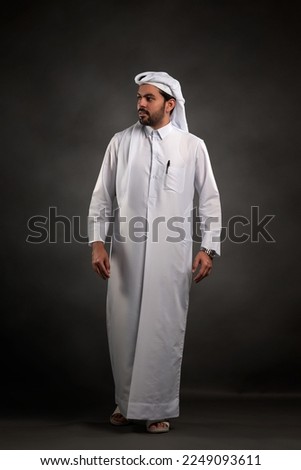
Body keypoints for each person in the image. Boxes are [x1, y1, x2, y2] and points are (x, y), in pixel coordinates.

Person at [88, 71, 221, 434]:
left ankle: (157, 407)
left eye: (148, 98)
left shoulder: (192, 146)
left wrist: (209, 247)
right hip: (125, 253)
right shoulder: (120, 142)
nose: (140, 104)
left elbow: (209, 200)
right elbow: (102, 195)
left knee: (161, 327)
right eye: (138, 97)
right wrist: (97, 242)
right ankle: (125, 402)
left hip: (170, 252)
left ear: (170, 104)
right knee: (123, 326)